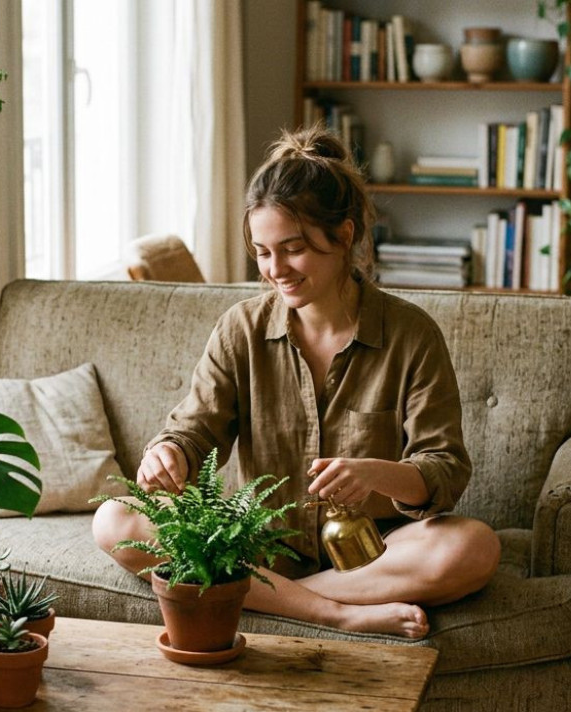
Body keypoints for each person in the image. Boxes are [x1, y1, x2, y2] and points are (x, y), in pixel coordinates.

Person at [92, 126, 501, 638]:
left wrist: (375, 474)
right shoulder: (241, 328)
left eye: (293, 249)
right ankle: (333, 612)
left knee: (473, 547)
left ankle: (263, 594)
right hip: (256, 544)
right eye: (263, 252)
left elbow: (444, 471)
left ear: (345, 236)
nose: (275, 270)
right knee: (115, 519)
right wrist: (169, 453)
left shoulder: (411, 334)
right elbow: (193, 430)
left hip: (372, 557)